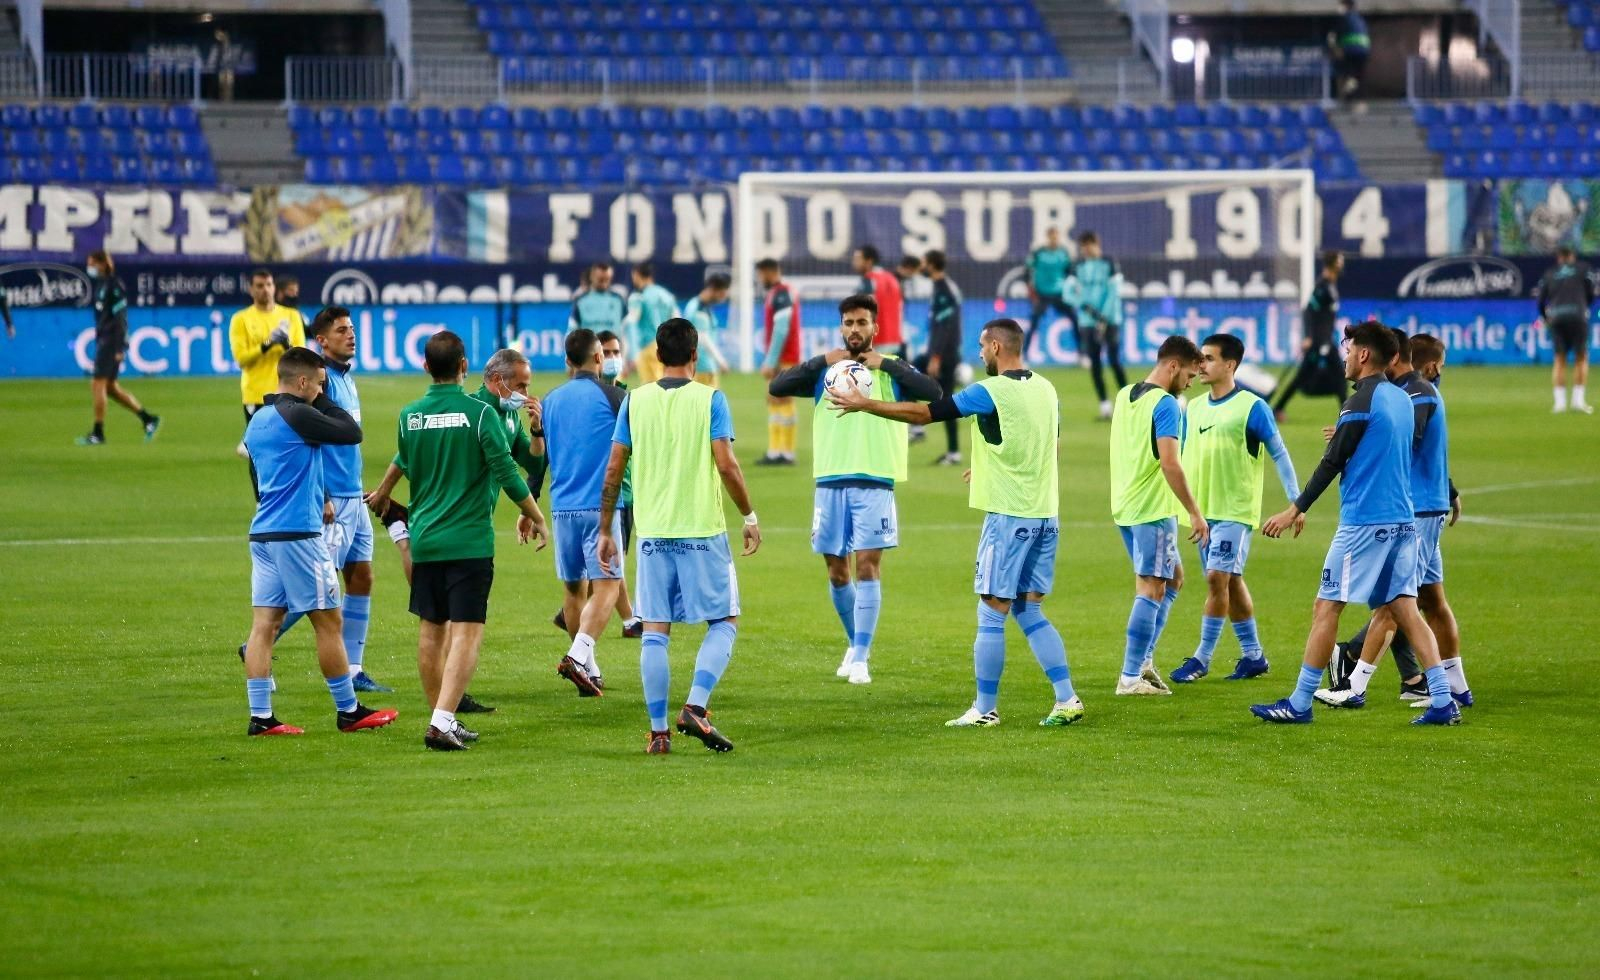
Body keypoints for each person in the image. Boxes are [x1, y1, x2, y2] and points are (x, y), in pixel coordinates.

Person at [827, 318, 1082, 728]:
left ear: (997, 347)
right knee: (1030, 611)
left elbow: (927, 413)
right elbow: (1047, 445)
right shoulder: (1047, 388)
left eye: (982, 346)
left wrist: (866, 404)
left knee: (992, 613)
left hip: (1008, 516)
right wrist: (988, 467)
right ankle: (1066, 697)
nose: (979, 353)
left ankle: (985, 709)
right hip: (1045, 514)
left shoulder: (990, 390)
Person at [1254, 321, 1460, 726]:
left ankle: (1298, 703)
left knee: (1326, 606)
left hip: (1365, 524)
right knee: (1404, 608)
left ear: (1364, 355)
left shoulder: (1360, 402)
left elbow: (1332, 461)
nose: (1345, 356)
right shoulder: (1401, 399)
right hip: (1404, 522)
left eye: (1349, 349)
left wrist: (1294, 508)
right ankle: (1442, 699)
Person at [372, 331, 550, 751]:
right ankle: (442, 720)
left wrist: (383, 491)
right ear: (467, 368)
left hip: (427, 536)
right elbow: (508, 472)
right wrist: (536, 515)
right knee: (467, 632)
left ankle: (441, 716)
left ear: (424, 367)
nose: (524, 392)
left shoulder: (409, 416)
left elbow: (407, 459)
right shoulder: (479, 414)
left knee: (431, 630)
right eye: (520, 384)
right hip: (468, 539)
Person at [598, 318, 760, 754]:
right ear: (695, 355)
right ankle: (696, 707)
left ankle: (658, 733)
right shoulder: (711, 399)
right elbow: (726, 464)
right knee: (724, 619)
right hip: (701, 529)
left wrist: (605, 528)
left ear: (656, 353)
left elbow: (614, 467)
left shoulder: (634, 401)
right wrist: (749, 514)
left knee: (654, 630)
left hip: (652, 532)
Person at [769, 294, 942, 685]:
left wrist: (888, 363)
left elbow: (933, 392)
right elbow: (779, 384)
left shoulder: (890, 373)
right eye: (848, 323)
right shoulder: (825, 373)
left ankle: (862, 656)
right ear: (841, 327)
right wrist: (821, 361)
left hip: (876, 478)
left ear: (874, 328)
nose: (854, 330)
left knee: (867, 564)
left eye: (861, 323)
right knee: (836, 570)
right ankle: (854, 643)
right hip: (830, 478)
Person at [240, 346, 397, 737]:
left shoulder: (257, 420)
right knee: (329, 621)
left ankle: (261, 717)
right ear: (304, 381)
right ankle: (349, 711)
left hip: (263, 533)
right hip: (299, 535)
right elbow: (350, 431)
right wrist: (322, 398)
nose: (321, 391)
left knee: (264, 626)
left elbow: (257, 482)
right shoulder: (297, 415)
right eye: (319, 384)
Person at [1316, 330, 1471, 709]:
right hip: (1424, 506)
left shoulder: (1413, 393)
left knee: (1394, 603)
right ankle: (1452, 687)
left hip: (1413, 509)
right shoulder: (1412, 392)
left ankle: (1355, 679)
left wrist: (1356, 436)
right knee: (1430, 600)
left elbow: (1407, 442)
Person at [1167, 333, 1303, 684]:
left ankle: (1202, 658)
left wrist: (1296, 502)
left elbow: (1280, 453)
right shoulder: (1192, 408)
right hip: (1202, 512)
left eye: (1209, 359)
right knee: (1230, 580)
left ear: (1231, 365)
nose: (1202, 365)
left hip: (1234, 511)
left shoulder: (1252, 407)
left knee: (1216, 579)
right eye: (1201, 358)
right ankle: (1254, 655)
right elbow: (1178, 459)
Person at [1109, 335, 1209, 696]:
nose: (1189, 382)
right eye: (1189, 375)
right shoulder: (1166, 405)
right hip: (1151, 508)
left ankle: (1144, 660)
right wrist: (1195, 513)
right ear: (1172, 366)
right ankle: (1130, 676)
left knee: (1174, 579)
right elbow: (1170, 462)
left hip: (1125, 504)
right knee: (1151, 588)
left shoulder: (1125, 395)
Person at [542, 328, 630, 698]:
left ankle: (589, 672)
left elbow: (543, 455)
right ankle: (579, 656)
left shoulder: (549, 401)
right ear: (599, 358)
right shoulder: (616, 397)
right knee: (608, 587)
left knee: (573, 587)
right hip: (600, 508)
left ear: (566, 362)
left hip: (562, 506)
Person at [75, 250, 160, 446]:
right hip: (105, 339)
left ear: (103, 264)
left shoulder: (114, 286)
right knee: (110, 388)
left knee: (97, 384)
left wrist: (120, 347)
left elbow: (120, 318)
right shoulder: (102, 285)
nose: (90, 268)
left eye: (92, 264)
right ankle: (148, 419)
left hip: (111, 341)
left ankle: (98, 433)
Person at [230, 268, 307, 459]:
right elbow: (241, 359)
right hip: (257, 394)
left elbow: (301, 355)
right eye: (260, 286)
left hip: (289, 394)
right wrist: (266, 345)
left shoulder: (291, 316)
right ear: (251, 290)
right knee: (260, 457)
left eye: (269, 285)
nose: (265, 289)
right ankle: (261, 491)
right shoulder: (241, 319)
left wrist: (286, 344)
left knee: (288, 452)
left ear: (274, 288)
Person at [1274, 251, 1346, 420]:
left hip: (1326, 340)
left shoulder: (1330, 286)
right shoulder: (1322, 287)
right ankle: (1277, 408)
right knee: (1305, 376)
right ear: (1333, 264)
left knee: (1339, 376)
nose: (1342, 264)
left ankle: (1347, 414)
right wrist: (1309, 336)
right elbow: (1308, 311)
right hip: (1318, 341)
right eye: (1340, 261)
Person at [1070, 231, 1128, 420]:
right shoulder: (1078, 266)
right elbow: (1067, 292)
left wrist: (1103, 317)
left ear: (1096, 244)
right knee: (1095, 363)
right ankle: (1105, 407)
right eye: (1083, 248)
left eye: (1088, 246)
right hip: (1088, 321)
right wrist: (1085, 307)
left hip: (1110, 320)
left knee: (1114, 360)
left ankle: (1129, 404)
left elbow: (1114, 292)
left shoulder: (1109, 263)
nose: (1086, 251)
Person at [1535, 245, 1594, 413]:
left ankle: (1559, 404)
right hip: (1578, 316)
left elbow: (1540, 301)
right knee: (1581, 358)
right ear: (1572, 255)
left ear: (1559, 257)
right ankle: (1578, 401)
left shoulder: (1549, 273)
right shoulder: (1583, 269)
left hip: (1557, 318)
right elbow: (1591, 293)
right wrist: (1584, 307)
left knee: (1559, 359)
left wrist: (1547, 318)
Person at [919, 249, 965, 465]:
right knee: (946, 400)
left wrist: (936, 356)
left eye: (923, 263)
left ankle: (918, 428)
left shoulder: (944, 290)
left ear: (932, 265)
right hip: (941, 353)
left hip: (944, 355)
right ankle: (953, 451)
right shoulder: (941, 288)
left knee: (948, 401)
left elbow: (947, 327)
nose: (921, 267)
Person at [756, 257, 803, 466]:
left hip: (785, 358)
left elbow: (782, 328)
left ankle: (786, 452)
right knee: (775, 401)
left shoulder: (782, 293)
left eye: (760, 275)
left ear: (768, 272)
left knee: (783, 401)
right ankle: (776, 451)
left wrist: (771, 360)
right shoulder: (778, 293)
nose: (759, 279)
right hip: (783, 357)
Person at [624, 260, 679, 384]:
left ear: (637, 274)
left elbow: (632, 321)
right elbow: (677, 320)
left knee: (652, 389)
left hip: (648, 347)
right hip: (667, 346)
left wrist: (630, 352)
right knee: (666, 383)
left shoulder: (638, 296)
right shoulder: (666, 295)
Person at [1025, 227, 1074, 358]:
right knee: (1034, 323)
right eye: (1051, 236)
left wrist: (1069, 290)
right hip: (1042, 294)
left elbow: (1070, 273)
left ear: (1058, 237)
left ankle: (1083, 354)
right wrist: (1031, 289)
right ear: (1048, 237)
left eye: (1056, 236)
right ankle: (1024, 355)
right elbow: (1028, 270)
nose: (1054, 239)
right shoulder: (1039, 253)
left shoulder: (1064, 253)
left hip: (1059, 294)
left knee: (1075, 319)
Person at [853, 244, 905, 358]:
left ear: (869, 261)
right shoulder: (892, 279)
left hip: (877, 342)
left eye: (858, 259)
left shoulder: (868, 280)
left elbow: (863, 311)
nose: (854, 263)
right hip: (895, 340)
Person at [682, 271, 732, 387]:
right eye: (722, 293)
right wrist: (720, 360)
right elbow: (703, 338)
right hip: (703, 366)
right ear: (713, 290)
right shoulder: (699, 309)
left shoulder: (696, 305)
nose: (723, 298)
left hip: (698, 364)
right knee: (708, 403)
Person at [569, 260, 627, 335]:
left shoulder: (618, 301)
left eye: (607, 280)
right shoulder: (581, 301)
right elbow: (572, 328)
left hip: (613, 346)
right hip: (590, 346)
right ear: (592, 277)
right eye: (601, 279)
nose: (604, 283)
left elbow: (627, 327)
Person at [1329, 0, 1371, 99]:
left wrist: (1335, 48)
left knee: (1343, 72)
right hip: (1363, 52)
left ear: (1346, 7)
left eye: (1340, 6)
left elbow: (1334, 37)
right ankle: (1351, 88)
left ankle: (1343, 93)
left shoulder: (1344, 19)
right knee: (1355, 76)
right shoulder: (1360, 20)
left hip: (1350, 51)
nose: (1338, 9)